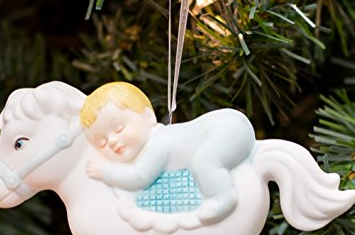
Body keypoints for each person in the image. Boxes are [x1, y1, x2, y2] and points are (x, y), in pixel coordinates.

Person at [81, 82, 255, 224]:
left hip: (227, 128)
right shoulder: (159, 140)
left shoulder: (157, 143)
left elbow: (139, 177)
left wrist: (105, 171)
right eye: (101, 142)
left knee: (204, 162)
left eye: (118, 128)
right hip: (226, 124)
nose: (112, 140)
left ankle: (223, 196)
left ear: (149, 116)